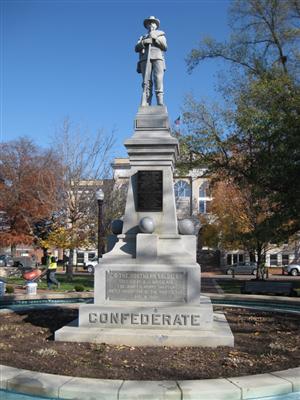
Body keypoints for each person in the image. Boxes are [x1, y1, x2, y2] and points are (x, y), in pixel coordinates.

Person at [135, 16, 167, 106]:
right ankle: (146, 102)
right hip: (145, 59)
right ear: (147, 25)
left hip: (158, 58)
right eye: (149, 23)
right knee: (146, 81)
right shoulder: (142, 37)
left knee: (158, 79)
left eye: (153, 23)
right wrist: (143, 43)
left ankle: (160, 101)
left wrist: (155, 39)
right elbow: (136, 48)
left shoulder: (161, 35)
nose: (151, 25)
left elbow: (165, 46)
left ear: (156, 25)